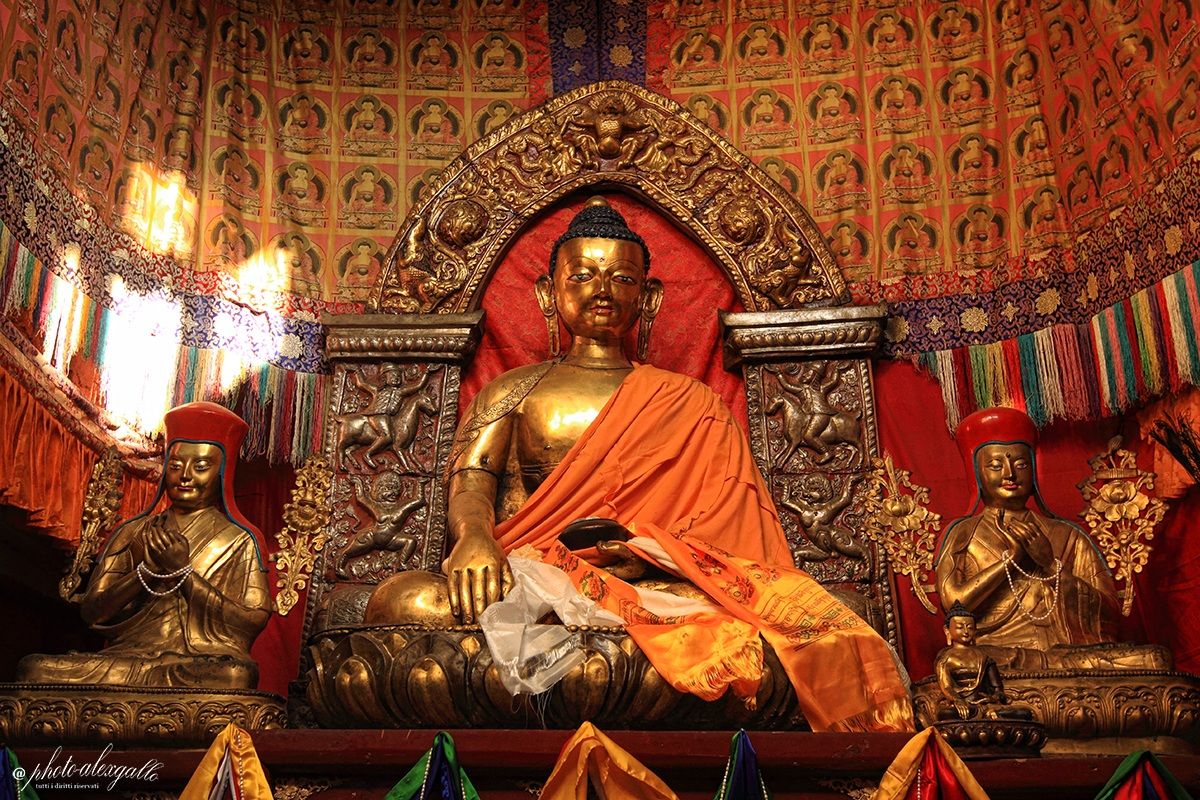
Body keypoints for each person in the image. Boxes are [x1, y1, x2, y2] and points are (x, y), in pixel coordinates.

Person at [366, 198, 913, 733]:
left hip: (654, 584)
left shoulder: (691, 403)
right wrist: (475, 538)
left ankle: (573, 657)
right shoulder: (513, 390)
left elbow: (726, 533)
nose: (602, 290)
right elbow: (472, 481)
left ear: (648, 298)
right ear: (548, 292)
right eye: (582, 275)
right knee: (403, 601)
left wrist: (643, 553)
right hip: (533, 578)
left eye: (622, 279)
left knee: (814, 614)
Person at [17, 403, 270, 688]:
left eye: (200, 467)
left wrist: (183, 573)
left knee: (235, 675)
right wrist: (145, 573)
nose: (185, 476)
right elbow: (92, 611)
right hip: (125, 657)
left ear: (222, 474)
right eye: (175, 466)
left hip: (198, 662)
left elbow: (250, 620)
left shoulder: (240, 539)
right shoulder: (133, 531)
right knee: (34, 668)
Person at [934, 407, 1168, 670]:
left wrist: (1049, 565)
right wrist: (1011, 560)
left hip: (1070, 655)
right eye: (996, 466)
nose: (1010, 474)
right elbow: (953, 602)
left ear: (1033, 469)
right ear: (977, 473)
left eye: (1021, 464)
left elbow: (1109, 614)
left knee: (1156, 659)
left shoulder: (1067, 534)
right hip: (1001, 656)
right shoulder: (963, 534)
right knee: (965, 663)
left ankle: (1051, 666)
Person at [934, 602, 1034, 721]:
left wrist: (993, 698)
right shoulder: (946, 658)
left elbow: (998, 690)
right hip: (963, 705)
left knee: (1024, 713)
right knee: (946, 713)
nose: (966, 631)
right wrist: (957, 700)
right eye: (960, 627)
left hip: (986, 704)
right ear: (947, 631)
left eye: (970, 627)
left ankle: (989, 714)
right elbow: (946, 687)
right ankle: (987, 716)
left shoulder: (983, 657)